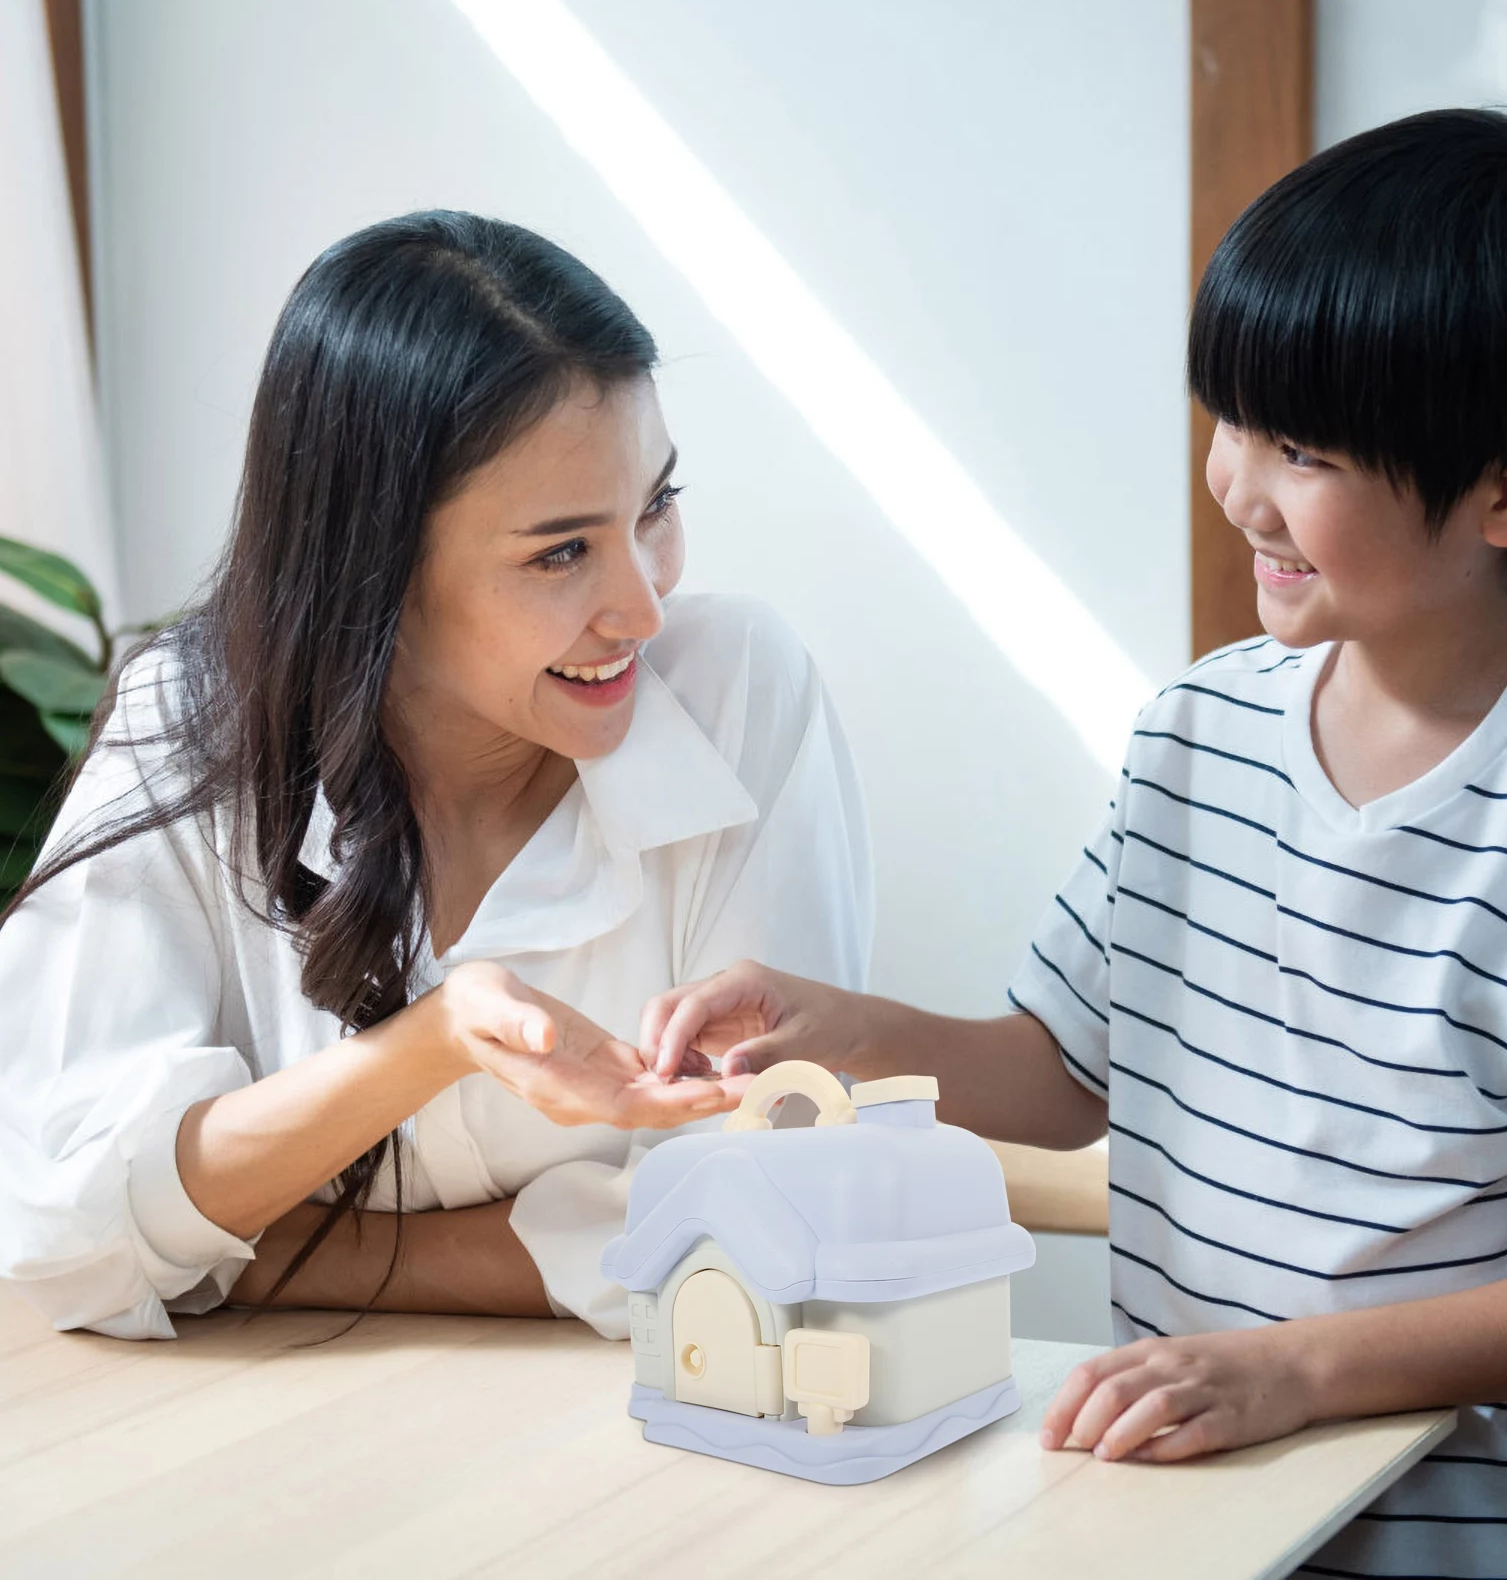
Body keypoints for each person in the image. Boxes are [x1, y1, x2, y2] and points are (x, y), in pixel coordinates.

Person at [644, 110, 1507, 1578]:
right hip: (1185, 1526)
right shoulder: (1197, 735)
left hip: (1467, 1549)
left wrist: (1294, 1369)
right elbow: (1059, 1072)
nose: (1237, 484)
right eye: (1229, 421)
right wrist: (832, 1031)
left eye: (1299, 448)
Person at [0, 211, 870, 1344]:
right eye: (561, 552)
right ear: (373, 566)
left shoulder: (738, 690)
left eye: (653, 505)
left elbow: (763, 1234)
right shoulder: (190, 718)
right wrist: (433, 1041)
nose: (642, 605)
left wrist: (264, 1251)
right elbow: (54, 1229)